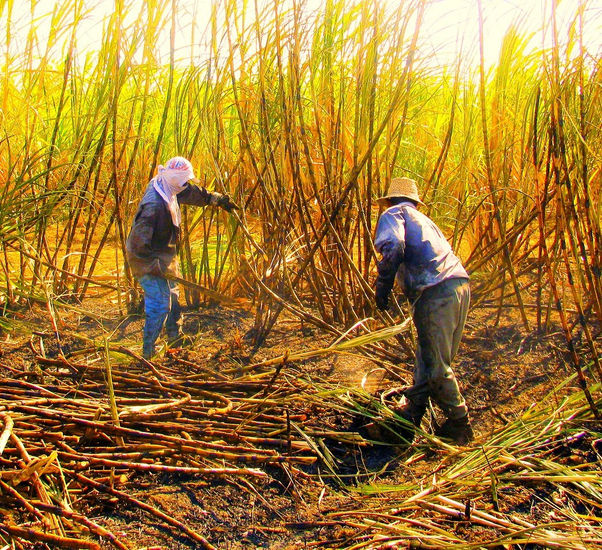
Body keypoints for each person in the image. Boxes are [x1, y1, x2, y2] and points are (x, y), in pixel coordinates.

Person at [374, 176, 473, 445]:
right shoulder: (425, 220)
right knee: (428, 358)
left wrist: (382, 287)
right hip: (459, 286)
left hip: (435, 290)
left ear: (391, 199)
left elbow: (393, 245)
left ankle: (459, 423)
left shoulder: (394, 213)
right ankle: (412, 416)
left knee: (436, 366)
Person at [126, 156, 238, 359]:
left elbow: (188, 192)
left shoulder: (168, 183)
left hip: (162, 253)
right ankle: (148, 354)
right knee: (160, 303)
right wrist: (153, 267)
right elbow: (136, 245)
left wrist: (215, 199)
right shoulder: (154, 206)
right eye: (184, 180)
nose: (186, 184)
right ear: (175, 179)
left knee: (173, 295)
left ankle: (174, 338)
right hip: (145, 260)